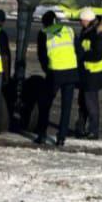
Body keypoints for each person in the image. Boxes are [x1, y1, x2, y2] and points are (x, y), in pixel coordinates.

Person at [35, 11, 80, 147]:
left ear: (44, 22)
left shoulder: (44, 33)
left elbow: (42, 55)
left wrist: (46, 69)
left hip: (55, 74)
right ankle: (61, 138)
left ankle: (42, 135)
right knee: (66, 108)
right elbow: (79, 50)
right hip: (71, 72)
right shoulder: (69, 30)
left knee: (46, 104)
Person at [76, 10, 102, 140]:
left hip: (93, 73)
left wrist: (82, 55)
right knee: (83, 102)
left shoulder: (98, 33)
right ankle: (81, 127)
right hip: (86, 72)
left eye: (81, 20)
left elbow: (98, 54)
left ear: (87, 20)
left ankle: (93, 130)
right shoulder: (88, 31)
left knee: (91, 104)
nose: (80, 22)